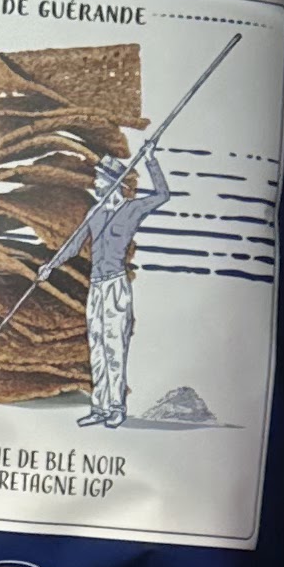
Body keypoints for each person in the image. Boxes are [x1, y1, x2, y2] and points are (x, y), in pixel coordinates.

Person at [81, 132, 171, 428]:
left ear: (113, 183)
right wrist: (50, 267)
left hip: (115, 286)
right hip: (96, 287)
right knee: (96, 345)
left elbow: (162, 196)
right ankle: (99, 407)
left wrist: (151, 160)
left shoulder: (131, 210)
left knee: (114, 347)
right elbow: (75, 243)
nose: (95, 183)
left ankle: (116, 407)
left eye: (100, 179)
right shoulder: (94, 213)